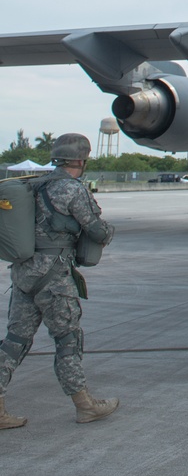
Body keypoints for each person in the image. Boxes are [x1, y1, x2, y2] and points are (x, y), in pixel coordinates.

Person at [0, 133, 117, 429]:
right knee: (67, 340)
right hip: (54, 279)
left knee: (15, 341)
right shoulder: (71, 189)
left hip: (24, 275)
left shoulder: (34, 185)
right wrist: (108, 230)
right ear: (80, 160)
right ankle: (85, 405)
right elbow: (97, 231)